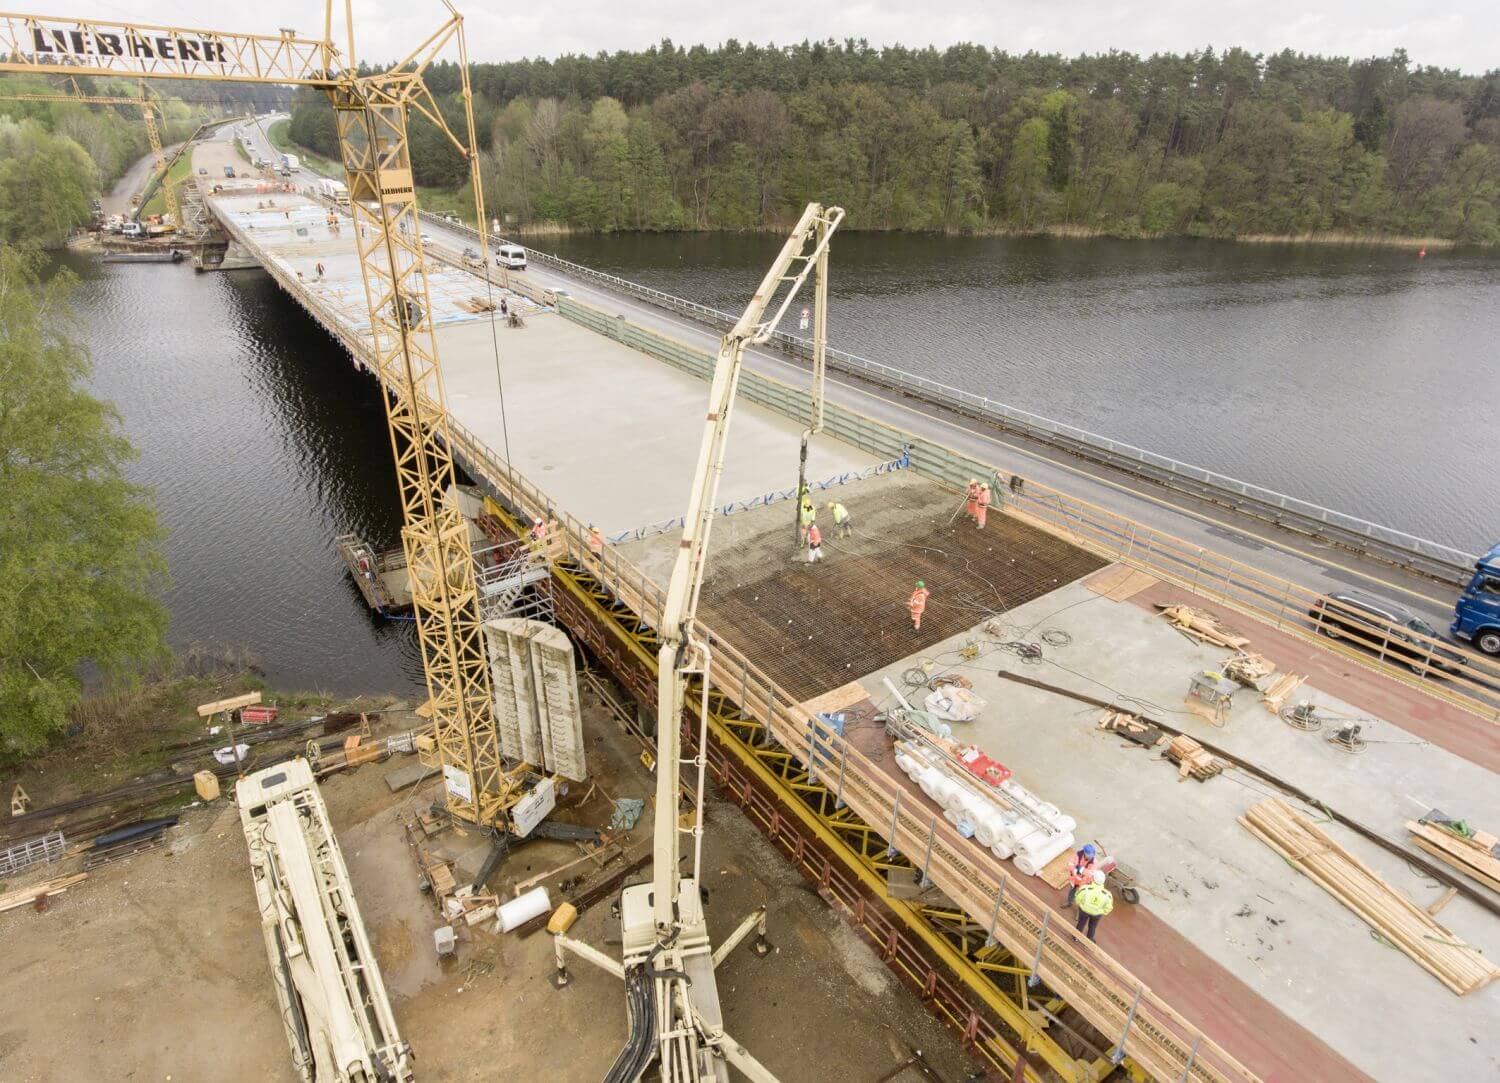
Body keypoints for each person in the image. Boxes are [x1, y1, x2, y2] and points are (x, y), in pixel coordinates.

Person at [1074, 871, 1114, 942]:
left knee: (1081, 923)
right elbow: (1108, 908)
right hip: (1097, 914)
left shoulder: (1085, 889)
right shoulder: (1107, 895)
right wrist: (1102, 912)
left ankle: (1076, 937)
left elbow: (1077, 898)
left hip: (1084, 911)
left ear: (1092, 879)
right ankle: (1089, 940)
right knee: (1092, 926)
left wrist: (1081, 905)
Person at [1064, 844, 1097, 908]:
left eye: (1092, 855)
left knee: (1082, 896)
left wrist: (1081, 869)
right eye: (1089, 855)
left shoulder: (1094, 862)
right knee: (1071, 891)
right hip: (1074, 879)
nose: (1090, 857)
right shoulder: (1077, 855)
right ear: (1084, 852)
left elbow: (1090, 873)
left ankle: (1080, 909)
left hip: (1084, 882)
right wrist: (1074, 871)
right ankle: (1069, 902)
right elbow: (1070, 864)